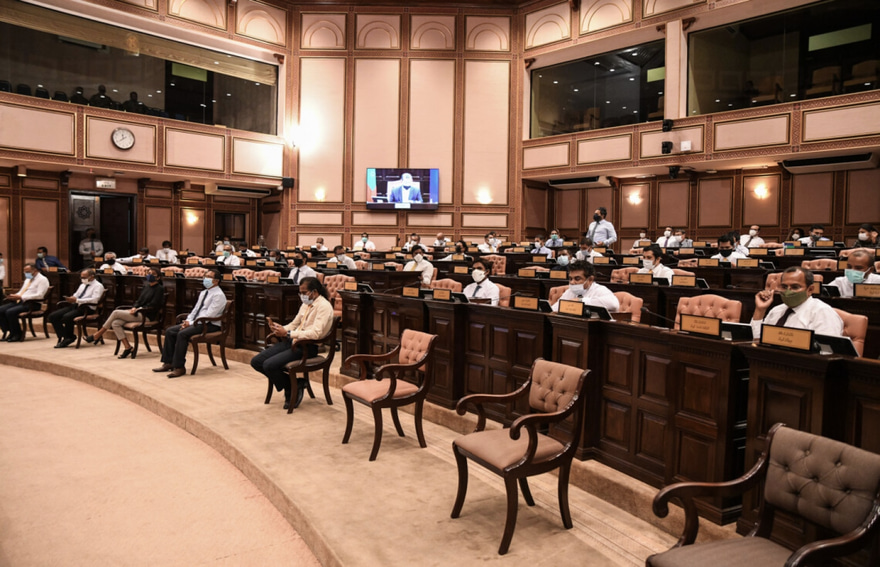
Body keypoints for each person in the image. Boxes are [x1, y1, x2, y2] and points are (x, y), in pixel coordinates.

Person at [250, 277, 334, 409]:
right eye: (300, 292)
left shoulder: (324, 306)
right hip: (293, 342)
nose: (302, 295)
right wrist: (280, 328)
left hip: (307, 347)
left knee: (269, 365)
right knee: (256, 361)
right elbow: (294, 324)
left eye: (304, 292)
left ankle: (291, 388)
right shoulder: (306, 304)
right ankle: (294, 384)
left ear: (314, 291)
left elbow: (315, 333)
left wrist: (288, 333)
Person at [154, 269, 226, 378]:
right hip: (197, 322)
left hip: (210, 325)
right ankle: (168, 363)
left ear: (216, 281)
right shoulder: (204, 292)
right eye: (205, 276)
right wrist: (188, 320)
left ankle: (179, 367)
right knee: (170, 331)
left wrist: (192, 323)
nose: (205, 279)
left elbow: (209, 315)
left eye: (209, 277)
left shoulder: (219, 295)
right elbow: (196, 309)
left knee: (182, 334)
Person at [84, 267, 164, 358]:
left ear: (158, 277)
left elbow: (154, 305)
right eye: (149, 273)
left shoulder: (159, 289)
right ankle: (128, 347)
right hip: (137, 312)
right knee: (115, 323)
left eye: (153, 274)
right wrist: (134, 307)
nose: (150, 275)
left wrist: (138, 309)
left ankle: (97, 335)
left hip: (146, 315)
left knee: (116, 312)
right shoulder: (146, 286)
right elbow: (139, 301)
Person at [750, 266, 843, 339]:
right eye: (784, 287)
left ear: (810, 290)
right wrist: (760, 310)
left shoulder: (823, 312)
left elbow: (826, 351)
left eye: (795, 287)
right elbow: (756, 340)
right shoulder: (777, 310)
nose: (788, 291)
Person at [48, 268, 105, 348]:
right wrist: (71, 298)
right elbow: (76, 295)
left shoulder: (98, 286)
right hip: (76, 305)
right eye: (81, 277)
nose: (82, 279)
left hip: (87, 308)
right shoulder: (82, 285)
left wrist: (78, 300)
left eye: (84, 277)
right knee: (53, 316)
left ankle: (68, 337)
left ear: (92, 276)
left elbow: (95, 300)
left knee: (67, 317)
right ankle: (66, 336)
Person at [0, 262, 49, 342]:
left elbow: (40, 295)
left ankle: (17, 334)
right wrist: (14, 296)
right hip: (21, 302)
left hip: (33, 304)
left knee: (10, 312)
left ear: (35, 270)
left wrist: (21, 297)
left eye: (27, 271)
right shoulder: (28, 279)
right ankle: (10, 331)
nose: (26, 273)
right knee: (1, 310)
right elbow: (22, 291)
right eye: (25, 271)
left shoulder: (43, 280)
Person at [551, 260, 619, 313]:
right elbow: (555, 308)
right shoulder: (570, 291)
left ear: (590, 279)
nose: (572, 282)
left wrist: (581, 301)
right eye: (570, 278)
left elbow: (613, 304)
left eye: (577, 279)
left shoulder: (600, 290)